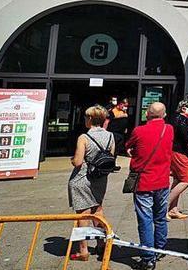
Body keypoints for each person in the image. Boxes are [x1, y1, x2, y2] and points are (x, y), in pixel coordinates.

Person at [126, 102, 174, 270]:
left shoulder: (139, 131)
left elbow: (128, 146)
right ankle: (159, 249)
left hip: (144, 182)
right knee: (160, 217)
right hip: (162, 181)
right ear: (164, 114)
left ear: (147, 114)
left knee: (145, 219)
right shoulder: (169, 129)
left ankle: (148, 258)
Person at [68, 105, 114, 261]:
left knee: (82, 213)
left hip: (83, 178)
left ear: (90, 119)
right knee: (98, 210)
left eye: (86, 117)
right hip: (100, 178)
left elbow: (78, 162)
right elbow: (110, 157)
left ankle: (83, 250)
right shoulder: (110, 136)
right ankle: (101, 244)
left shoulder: (84, 138)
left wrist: (73, 160)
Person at [168, 100, 188, 220]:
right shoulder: (182, 121)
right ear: (183, 108)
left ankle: (173, 209)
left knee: (178, 180)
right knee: (186, 179)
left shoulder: (179, 119)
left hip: (177, 152)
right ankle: (163, 207)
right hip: (179, 152)